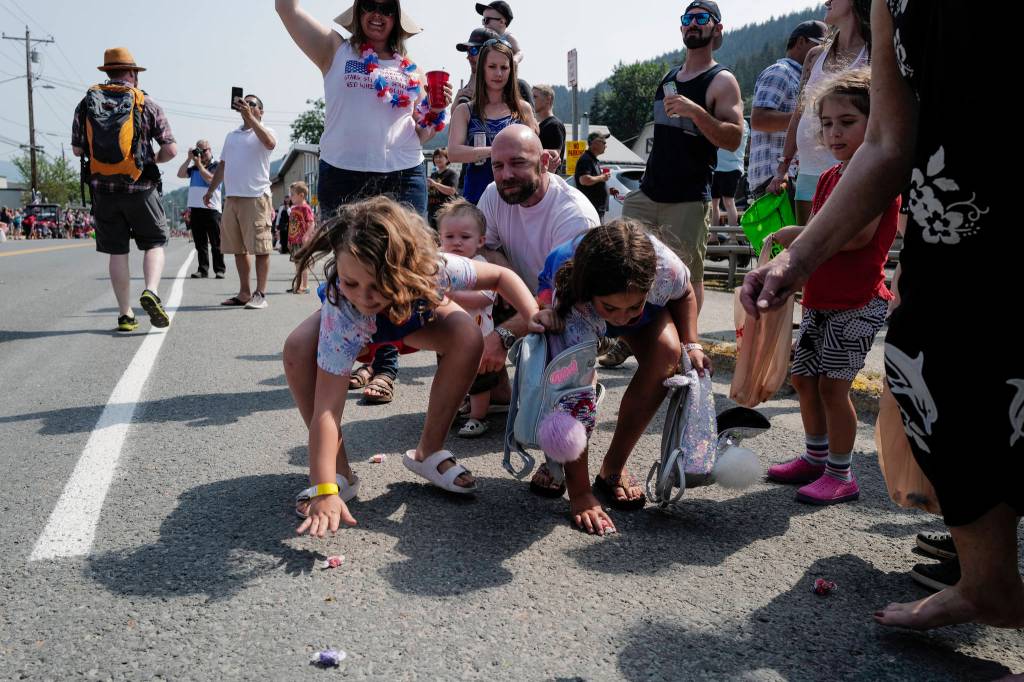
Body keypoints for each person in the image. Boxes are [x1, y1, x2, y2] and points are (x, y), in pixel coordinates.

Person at [741, 2, 1020, 631]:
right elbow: (890, 141)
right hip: (952, 220)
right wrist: (797, 262)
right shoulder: (891, 5)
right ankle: (988, 582)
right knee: (941, 381)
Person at [283, 196, 541, 535]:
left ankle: (428, 452)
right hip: (358, 332)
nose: (364, 295)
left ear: (407, 268)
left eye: (378, 284)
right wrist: (324, 488)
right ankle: (337, 474)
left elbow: (501, 277)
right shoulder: (345, 308)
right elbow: (327, 411)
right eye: (351, 282)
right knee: (298, 347)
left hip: (413, 321)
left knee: (468, 334)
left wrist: (533, 316)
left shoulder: (433, 268)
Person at [276, 0, 452, 406]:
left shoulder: (412, 70)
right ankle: (350, 357)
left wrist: (436, 111)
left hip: (403, 172)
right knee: (351, 271)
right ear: (357, 14)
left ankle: (386, 367)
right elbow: (285, 8)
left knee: (401, 269)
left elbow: (419, 132)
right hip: (345, 173)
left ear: (396, 19)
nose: (377, 15)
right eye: (369, 6)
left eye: (386, 8)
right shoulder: (334, 49)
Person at [760, 69, 897, 505]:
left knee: (833, 388)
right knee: (803, 379)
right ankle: (816, 456)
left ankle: (842, 472)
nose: (834, 132)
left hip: (856, 303)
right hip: (823, 299)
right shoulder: (829, 177)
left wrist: (797, 234)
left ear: (873, 124)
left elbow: (854, 236)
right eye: (827, 123)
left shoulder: (872, 177)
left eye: (848, 122)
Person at [531, 220, 709, 526]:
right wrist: (580, 494)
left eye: (632, 308)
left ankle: (612, 468)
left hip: (631, 300)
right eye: (612, 309)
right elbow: (572, 397)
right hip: (572, 302)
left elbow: (684, 294)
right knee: (567, 384)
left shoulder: (667, 269)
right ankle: (560, 462)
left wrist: (691, 343)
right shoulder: (571, 296)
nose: (622, 319)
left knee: (668, 352)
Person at [610, 1, 742, 371]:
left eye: (702, 19)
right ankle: (629, 338)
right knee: (629, 265)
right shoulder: (668, 77)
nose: (692, 25)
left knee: (686, 276)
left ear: (717, 30)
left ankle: (687, 345)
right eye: (687, 19)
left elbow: (733, 137)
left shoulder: (721, 80)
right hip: (648, 192)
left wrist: (696, 111)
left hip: (687, 197)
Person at [71, 47, 177, 333]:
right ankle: (151, 291)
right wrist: (147, 159)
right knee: (154, 243)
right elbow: (170, 149)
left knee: (117, 252)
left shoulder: (86, 103)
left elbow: (77, 148)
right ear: (132, 73)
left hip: (103, 191)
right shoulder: (146, 102)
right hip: (140, 187)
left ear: (107, 72)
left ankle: (125, 314)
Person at [767, 0, 870, 225]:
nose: (827, 2)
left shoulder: (873, 52)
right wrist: (783, 168)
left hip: (850, 173)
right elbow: (799, 112)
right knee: (806, 251)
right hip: (808, 172)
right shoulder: (815, 55)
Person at [205, 94, 276, 310]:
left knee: (261, 248)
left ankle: (260, 294)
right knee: (238, 249)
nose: (246, 105)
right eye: (244, 102)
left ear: (260, 111)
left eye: (252, 103)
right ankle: (244, 292)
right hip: (232, 198)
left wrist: (252, 119)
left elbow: (270, 143)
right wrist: (211, 191)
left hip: (256, 197)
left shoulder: (266, 131)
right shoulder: (232, 136)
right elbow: (222, 166)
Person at [434, 199, 497, 438]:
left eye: (465, 237)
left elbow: (484, 298)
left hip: (479, 337)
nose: (457, 242)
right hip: (446, 337)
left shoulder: (480, 265)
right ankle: (454, 408)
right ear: (440, 239)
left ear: (480, 241)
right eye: (449, 237)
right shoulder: (439, 264)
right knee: (449, 377)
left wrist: (450, 293)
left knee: (479, 380)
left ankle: (478, 417)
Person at [448, 38, 538, 205]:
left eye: (504, 67)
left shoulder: (523, 109)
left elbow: (534, 153)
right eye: (492, 67)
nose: (498, 73)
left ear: (511, 70)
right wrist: (495, 150)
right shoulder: (465, 110)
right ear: (482, 69)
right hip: (476, 199)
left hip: (516, 200)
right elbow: (453, 153)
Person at [747, 20, 828, 195]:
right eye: (822, 44)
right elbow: (759, 119)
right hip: (775, 178)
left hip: (787, 176)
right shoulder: (780, 72)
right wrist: (807, 117)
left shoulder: (801, 77)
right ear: (801, 42)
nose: (825, 52)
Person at [177, 139, 225, 279]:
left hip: (212, 210)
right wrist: (188, 159)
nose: (202, 154)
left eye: (204, 151)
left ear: (210, 150)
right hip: (196, 209)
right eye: (199, 151)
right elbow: (180, 174)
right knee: (200, 243)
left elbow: (211, 180)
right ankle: (202, 269)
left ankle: (219, 269)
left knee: (216, 242)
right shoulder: (194, 168)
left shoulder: (217, 166)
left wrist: (199, 165)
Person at [453, 28, 533, 109]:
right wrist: (455, 110)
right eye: (468, 51)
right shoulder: (465, 94)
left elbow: (531, 120)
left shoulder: (519, 87)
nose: (468, 57)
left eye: (474, 50)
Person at [711, 119, 748, 226]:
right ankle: (713, 237)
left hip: (731, 168)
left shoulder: (743, 123)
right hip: (715, 167)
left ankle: (733, 237)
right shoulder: (720, 120)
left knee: (728, 202)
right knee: (714, 204)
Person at [287, 181, 316, 294]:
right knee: (297, 264)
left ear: (301, 195)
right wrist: (289, 240)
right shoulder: (294, 209)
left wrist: (306, 235)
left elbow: (312, 223)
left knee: (303, 264)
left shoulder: (306, 208)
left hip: (302, 241)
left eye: (292, 194)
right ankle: (298, 285)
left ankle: (305, 285)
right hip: (294, 241)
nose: (290, 197)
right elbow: (292, 225)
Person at [573, 132, 610, 220]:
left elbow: (593, 182)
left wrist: (608, 190)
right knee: (595, 233)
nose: (606, 146)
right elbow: (584, 180)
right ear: (595, 143)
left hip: (596, 209)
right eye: (603, 143)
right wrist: (602, 177)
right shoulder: (586, 159)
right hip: (592, 209)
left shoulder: (593, 160)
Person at [532, 84, 565, 165]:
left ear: (548, 99)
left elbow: (553, 161)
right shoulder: (538, 125)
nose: (531, 100)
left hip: (546, 176)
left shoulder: (554, 125)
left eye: (535, 97)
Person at [426, 147, 458, 228]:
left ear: (447, 159)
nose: (437, 159)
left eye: (440, 157)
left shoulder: (452, 174)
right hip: (432, 211)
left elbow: (452, 191)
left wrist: (435, 184)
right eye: (435, 157)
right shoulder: (433, 174)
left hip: (445, 211)